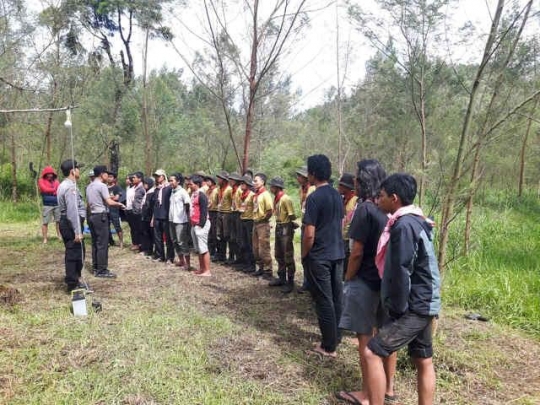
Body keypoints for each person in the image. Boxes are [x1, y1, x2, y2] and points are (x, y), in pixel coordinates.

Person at [363, 173, 441, 405]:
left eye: (382, 196)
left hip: (416, 306)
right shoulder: (417, 220)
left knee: (372, 352)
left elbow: (399, 271)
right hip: (427, 302)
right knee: (423, 359)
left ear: (394, 198)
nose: (379, 200)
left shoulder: (404, 226)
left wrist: (396, 311)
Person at [336, 160, 397, 405]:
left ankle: (367, 394)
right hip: (386, 282)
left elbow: (357, 251)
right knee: (386, 338)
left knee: (365, 341)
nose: (354, 184)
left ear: (363, 182)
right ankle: (388, 389)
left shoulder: (365, 210)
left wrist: (348, 277)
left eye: (357, 181)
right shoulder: (390, 208)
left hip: (365, 281)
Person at [302, 154, 344, 358]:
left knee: (324, 300)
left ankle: (328, 346)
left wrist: (304, 254)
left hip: (320, 256)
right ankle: (336, 337)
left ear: (313, 173)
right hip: (337, 253)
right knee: (336, 296)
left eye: (308, 171)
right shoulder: (337, 195)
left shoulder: (314, 197)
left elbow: (309, 233)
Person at [86, 165, 125, 278]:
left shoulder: (89, 186)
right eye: (106, 174)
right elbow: (109, 202)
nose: (108, 176)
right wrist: (120, 204)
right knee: (103, 243)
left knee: (95, 243)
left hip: (92, 216)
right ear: (102, 174)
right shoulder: (102, 186)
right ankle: (102, 270)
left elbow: (88, 204)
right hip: (101, 216)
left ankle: (95, 267)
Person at [57, 160, 87, 292]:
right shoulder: (70, 187)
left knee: (76, 251)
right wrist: (77, 230)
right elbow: (72, 210)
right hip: (71, 223)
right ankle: (73, 283)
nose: (79, 170)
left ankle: (75, 279)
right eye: (77, 168)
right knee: (74, 253)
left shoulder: (65, 184)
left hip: (67, 222)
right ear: (72, 171)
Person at [268, 176, 297, 293]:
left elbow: (292, 215)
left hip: (285, 227)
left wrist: (290, 225)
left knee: (287, 254)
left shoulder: (285, 199)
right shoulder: (277, 198)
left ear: (276, 187)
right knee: (278, 253)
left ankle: (290, 281)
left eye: (272, 186)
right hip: (279, 225)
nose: (270, 188)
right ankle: (281, 278)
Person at [296, 166, 316, 294]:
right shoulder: (301, 190)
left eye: (299, 176)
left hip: (311, 224)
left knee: (311, 254)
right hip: (304, 222)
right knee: (304, 254)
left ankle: (312, 282)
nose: (297, 178)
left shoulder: (312, 190)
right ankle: (306, 281)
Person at [251, 172, 274, 280]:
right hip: (255, 223)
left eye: (256, 181)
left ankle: (268, 270)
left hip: (262, 224)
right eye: (253, 181)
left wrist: (264, 219)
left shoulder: (266, 195)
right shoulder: (256, 194)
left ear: (263, 182)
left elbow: (270, 210)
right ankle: (260, 268)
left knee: (263, 248)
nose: (253, 183)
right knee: (255, 248)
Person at [189, 175, 211, 276]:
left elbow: (204, 211)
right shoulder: (193, 194)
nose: (189, 185)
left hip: (201, 224)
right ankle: (201, 269)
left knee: (203, 248)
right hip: (194, 224)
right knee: (198, 248)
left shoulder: (202, 195)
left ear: (197, 184)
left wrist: (200, 224)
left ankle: (207, 270)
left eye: (191, 184)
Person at [169, 172, 192, 269]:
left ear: (178, 181)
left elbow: (188, 204)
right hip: (171, 220)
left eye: (172, 181)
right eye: (169, 181)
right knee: (174, 241)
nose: (170, 182)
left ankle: (188, 263)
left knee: (181, 241)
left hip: (181, 221)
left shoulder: (183, 192)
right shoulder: (172, 191)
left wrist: (185, 217)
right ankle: (181, 260)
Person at [338, 172, 358, 275]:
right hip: (341, 237)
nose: (338, 187)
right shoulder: (343, 199)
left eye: (341, 185)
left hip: (348, 238)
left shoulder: (355, 201)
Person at [152, 169, 174, 263]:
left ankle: (170, 257)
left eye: (159, 176)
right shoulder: (156, 189)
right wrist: (153, 217)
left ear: (163, 176)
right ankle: (160, 255)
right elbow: (154, 204)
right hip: (157, 215)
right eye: (156, 176)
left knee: (168, 238)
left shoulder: (169, 188)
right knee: (157, 237)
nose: (157, 178)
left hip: (166, 215)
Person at [38, 165, 61, 244]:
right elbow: (44, 189)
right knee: (45, 222)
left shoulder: (56, 181)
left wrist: (51, 191)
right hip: (47, 204)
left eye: (51, 174)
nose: (50, 175)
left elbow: (59, 190)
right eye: (48, 174)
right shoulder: (41, 181)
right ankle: (45, 238)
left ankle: (59, 236)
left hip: (57, 203)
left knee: (58, 221)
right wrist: (53, 190)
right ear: (45, 174)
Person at [238, 175, 256, 273]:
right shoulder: (242, 194)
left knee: (249, 243)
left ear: (248, 185)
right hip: (243, 219)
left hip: (249, 220)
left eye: (243, 183)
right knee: (243, 242)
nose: (241, 185)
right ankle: (245, 263)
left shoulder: (252, 195)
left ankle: (251, 265)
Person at [215, 171, 233, 263]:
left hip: (227, 213)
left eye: (220, 178)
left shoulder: (229, 189)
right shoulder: (218, 189)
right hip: (220, 212)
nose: (218, 180)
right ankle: (221, 255)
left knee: (227, 235)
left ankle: (230, 256)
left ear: (224, 180)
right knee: (219, 234)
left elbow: (232, 201)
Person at [107, 171, 124, 248]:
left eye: (111, 177)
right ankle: (110, 241)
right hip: (105, 209)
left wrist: (107, 198)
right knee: (106, 227)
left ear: (114, 179)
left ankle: (121, 242)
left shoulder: (117, 187)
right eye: (108, 177)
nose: (109, 178)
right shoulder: (104, 187)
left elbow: (116, 198)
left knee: (117, 226)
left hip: (114, 209)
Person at [140, 177, 155, 258]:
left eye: (145, 184)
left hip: (149, 216)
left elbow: (152, 207)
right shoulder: (147, 192)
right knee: (145, 233)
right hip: (144, 216)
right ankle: (146, 249)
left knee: (150, 234)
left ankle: (149, 250)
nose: (143, 185)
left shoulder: (152, 193)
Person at [205, 175, 219, 260]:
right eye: (206, 181)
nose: (207, 182)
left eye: (209, 180)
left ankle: (216, 252)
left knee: (214, 232)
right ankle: (211, 250)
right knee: (209, 232)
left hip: (215, 212)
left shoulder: (216, 190)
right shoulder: (207, 191)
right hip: (209, 211)